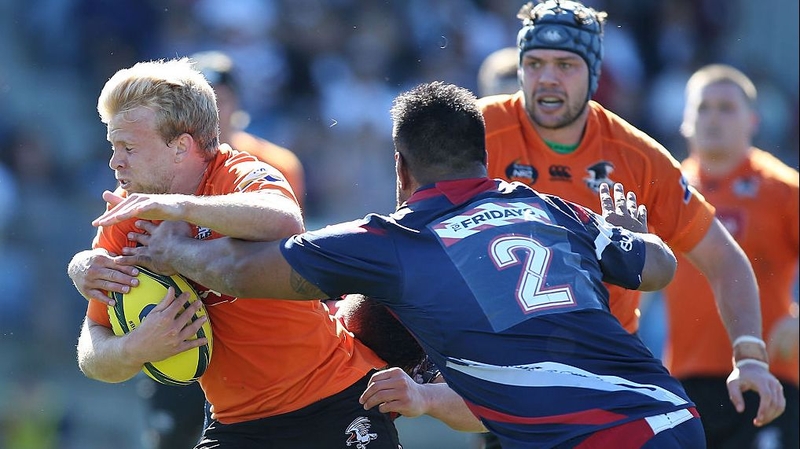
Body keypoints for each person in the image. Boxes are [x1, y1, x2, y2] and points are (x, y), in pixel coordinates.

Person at [109, 80, 708, 448]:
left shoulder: (393, 241)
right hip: (668, 413)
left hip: (591, 436)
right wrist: (633, 235)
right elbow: (657, 267)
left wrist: (169, 250)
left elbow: (243, 273)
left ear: (401, 169)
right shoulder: (548, 208)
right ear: (485, 157)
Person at [477, 1, 785, 440]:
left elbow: (723, 258)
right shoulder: (478, 130)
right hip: (502, 368)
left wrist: (750, 355)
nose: (547, 77)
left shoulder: (636, 157)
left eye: (565, 64)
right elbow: (418, 221)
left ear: (595, 73)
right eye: (535, 63)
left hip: (598, 376)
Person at [66, 58, 402, 449]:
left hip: (335, 400)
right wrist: (133, 349)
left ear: (181, 147)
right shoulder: (127, 212)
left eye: (128, 147)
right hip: (237, 424)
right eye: (113, 146)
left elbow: (285, 220)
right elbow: (92, 350)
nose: (114, 161)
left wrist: (177, 208)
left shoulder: (237, 172)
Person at [132, 50, 309, 449]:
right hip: (179, 326)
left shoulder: (272, 163)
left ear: (236, 103)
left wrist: (180, 244)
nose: (214, 107)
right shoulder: (156, 167)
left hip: (246, 333)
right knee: (171, 438)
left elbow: (274, 242)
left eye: (221, 97)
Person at [662, 63, 799, 448]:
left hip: (766, 378)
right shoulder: (668, 191)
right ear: (685, 122)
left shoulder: (782, 189)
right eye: (703, 108)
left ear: (752, 120)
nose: (713, 117)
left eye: (726, 107)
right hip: (684, 383)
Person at [191, 50, 306, 206]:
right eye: (202, 104)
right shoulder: (171, 166)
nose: (211, 112)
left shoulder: (276, 164)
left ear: (236, 103)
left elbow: (289, 225)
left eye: (220, 101)